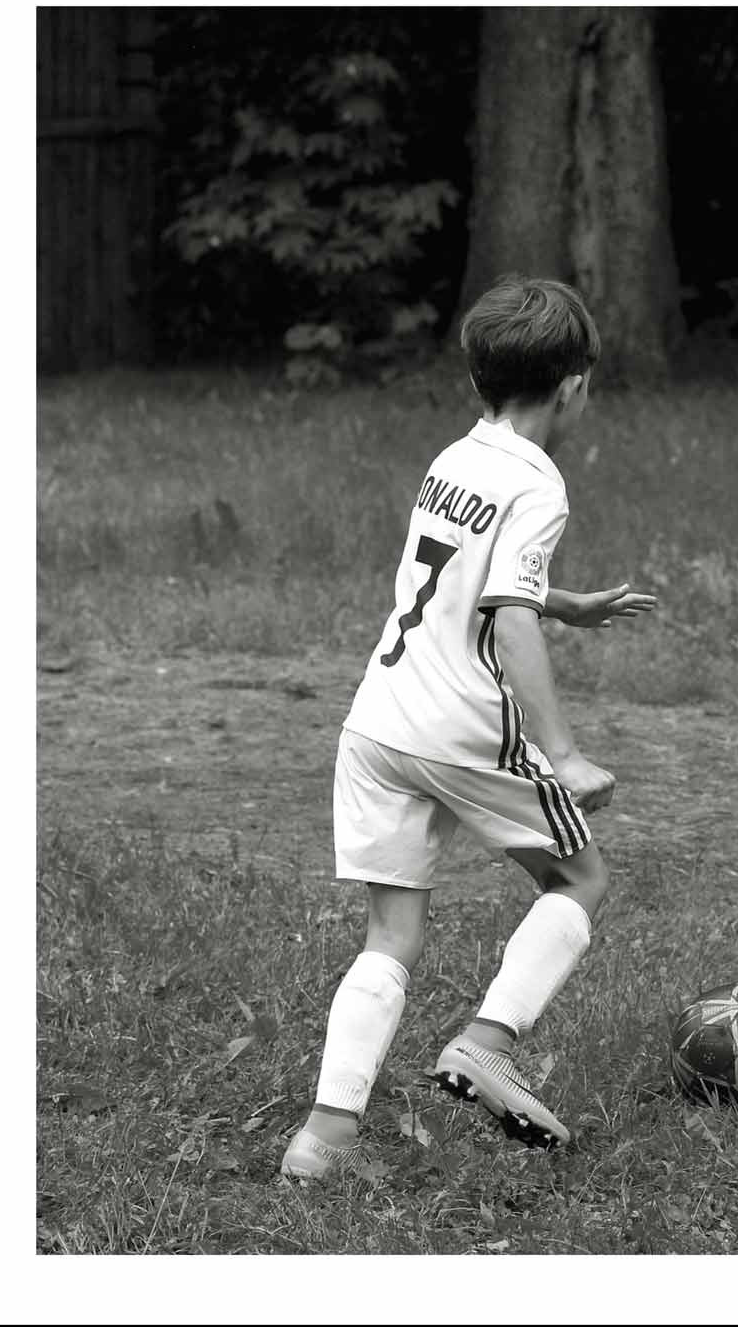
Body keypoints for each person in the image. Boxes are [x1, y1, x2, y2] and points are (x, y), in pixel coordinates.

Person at [280, 276, 656, 1181]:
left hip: (378, 719)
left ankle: (321, 1142)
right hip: (458, 725)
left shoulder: (455, 457)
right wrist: (561, 752)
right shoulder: (540, 482)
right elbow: (506, 615)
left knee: (390, 936)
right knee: (580, 876)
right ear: (572, 384)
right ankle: (486, 1043)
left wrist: (560, 601)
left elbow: (466, 575)